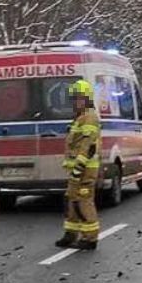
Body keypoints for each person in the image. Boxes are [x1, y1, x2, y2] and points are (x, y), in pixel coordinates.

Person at [55, 79, 102, 250]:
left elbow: (87, 145)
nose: (75, 101)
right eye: (74, 98)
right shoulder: (80, 118)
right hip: (77, 169)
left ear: (87, 98)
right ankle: (71, 234)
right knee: (71, 200)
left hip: (85, 169)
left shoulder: (89, 118)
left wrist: (79, 167)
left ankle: (90, 238)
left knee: (83, 200)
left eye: (79, 98)